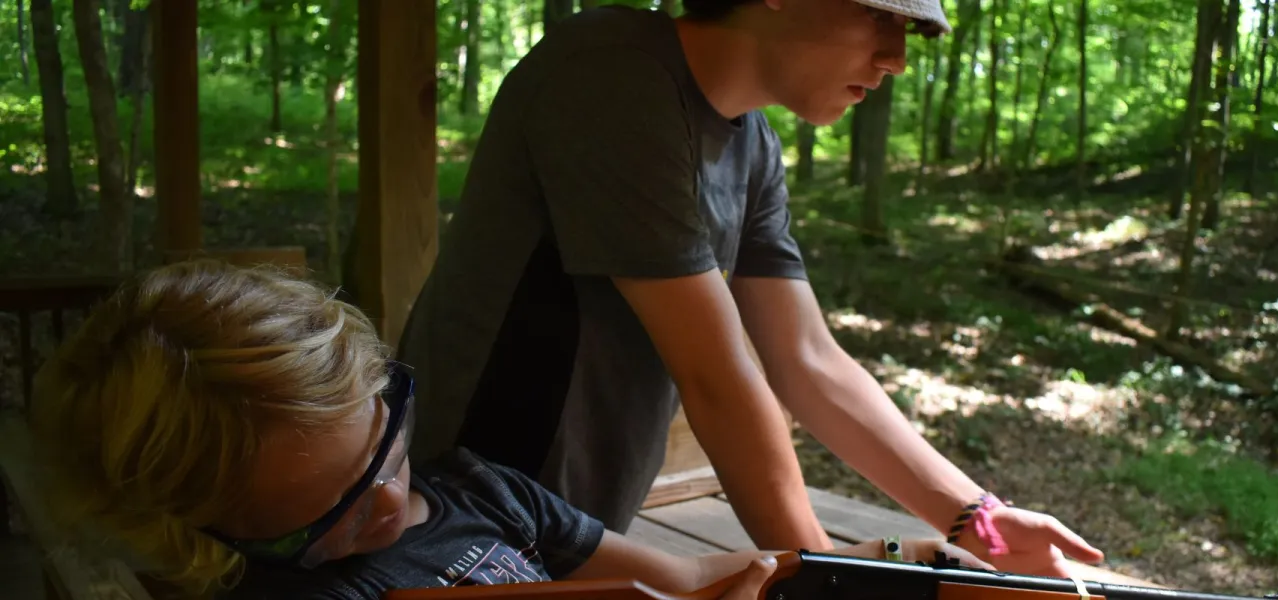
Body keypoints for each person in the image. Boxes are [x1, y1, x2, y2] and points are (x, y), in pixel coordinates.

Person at [398, 0, 1106, 581]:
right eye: (882, 17)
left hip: (572, 535)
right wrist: (829, 578)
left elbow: (808, 358)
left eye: (909, 29)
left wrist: (977, 518)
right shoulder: (611, 71)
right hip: (460, 526)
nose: (897, 58)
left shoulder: (753, 144)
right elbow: (718, 376)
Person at [26, 260, 996, 599]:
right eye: (335, 517)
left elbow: (695, 576)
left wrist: (878, 563)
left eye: (388, 447)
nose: (397, 505)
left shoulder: (482, 491)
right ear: (201, 538)